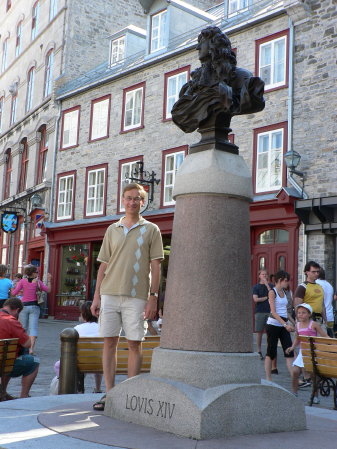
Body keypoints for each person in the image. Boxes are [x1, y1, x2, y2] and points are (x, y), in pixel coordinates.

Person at [90, 183, 164, 411]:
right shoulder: (112, 229)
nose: (132, 202)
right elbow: (103, 266)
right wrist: (96, 297)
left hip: (137, 295)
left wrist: (153, 297)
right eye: (129, 198)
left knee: (135, 343)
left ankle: (130, 394)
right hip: (109, 293)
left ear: (143, 202)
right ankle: (110, 393)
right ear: (122, 200)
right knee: (109, 342)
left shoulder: (151, 229)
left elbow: (156, 265)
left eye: (137, 199)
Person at [286, 303, 329, 400]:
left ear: (309, 314)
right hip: (303, 352)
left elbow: (324, 335)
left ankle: (315, 395)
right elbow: (298, 338)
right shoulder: (297, 325)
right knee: (295, 372)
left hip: (313, 352)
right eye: (299, 313)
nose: (300, 315)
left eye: (303, 313)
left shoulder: (313, 324)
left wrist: (331, 343)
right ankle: (294, 392)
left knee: (313, 375)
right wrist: (292, 347)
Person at [0, 298, 39, 398]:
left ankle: (3, 392)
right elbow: (28, 343)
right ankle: (24, 395)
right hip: (3, 364)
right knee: (33, 361)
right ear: (17, 310)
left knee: (8, 355)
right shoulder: (10, 320)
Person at [12, 265, 52, 355]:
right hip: (34, 306)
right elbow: (48, 290)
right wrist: (49, 280)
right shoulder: (38, 282)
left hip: (24, 306)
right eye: (36, 272)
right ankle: (31, 349)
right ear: (33, 273)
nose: (37, 274)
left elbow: (14, 293)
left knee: (23, 328)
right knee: (33, 328)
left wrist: (20, 290)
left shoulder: (22, 281)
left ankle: (21, 347)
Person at [264, 270, 294, 382]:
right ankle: (268, 378)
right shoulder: (272, 292)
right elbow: (274, 312)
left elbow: (286, 311)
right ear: (280, 280)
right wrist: (285, 324)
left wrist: (295, 323)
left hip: (283, 324)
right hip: (273, 325)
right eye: (286, 281)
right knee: (271, 352)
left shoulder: (285, 292)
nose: (287, 283)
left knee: (289, 350)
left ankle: (294, 376)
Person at [74, 301, 102, 393]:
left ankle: (79, 388)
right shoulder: (102, 328)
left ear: (83, 314)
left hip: (81, 362)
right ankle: (97, 388)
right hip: (100, 362)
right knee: (98, 355)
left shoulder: (77, 328)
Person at [252, 270, 276, 368]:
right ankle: (259, 350)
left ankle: (268, 352)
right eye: (263, 274)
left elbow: (273, 295)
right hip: (260, 311)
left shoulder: (271, 286)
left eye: (266, 274)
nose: (264, 276)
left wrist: (267, 285)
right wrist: (266, 297)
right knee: (259, 332)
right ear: (259, 276)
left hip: (270, 311)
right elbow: (256, 299)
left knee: (270, 332)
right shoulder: (256, 287)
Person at [316, 267, 335, 336]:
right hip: (330, 316)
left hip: (321, 317)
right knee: (329, 341)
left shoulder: (316, 284)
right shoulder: (329, 285)